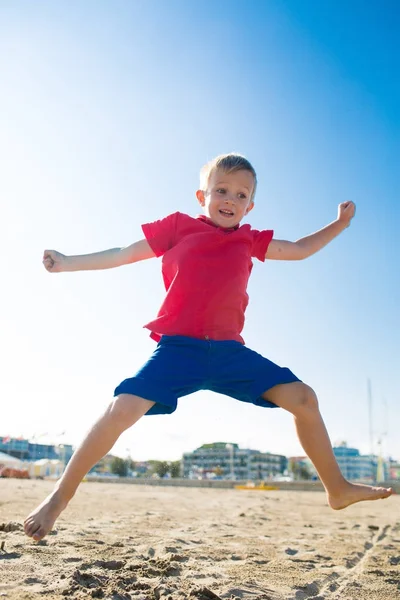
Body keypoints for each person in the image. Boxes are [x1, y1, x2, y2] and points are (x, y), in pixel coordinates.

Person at [24, 153, 393, 542]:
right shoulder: (179, 227)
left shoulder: (249, 239)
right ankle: (58, 498)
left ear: (250, 205)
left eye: (241, 194)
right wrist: (67, 262)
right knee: (122, 408)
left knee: (303, 398)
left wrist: (340, 223)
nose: (230, 199)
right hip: (178, 350)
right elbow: (122, 254)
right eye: (221, 190)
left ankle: (336, 489)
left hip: (229, 353)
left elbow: (300, 248)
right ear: (203, 195)